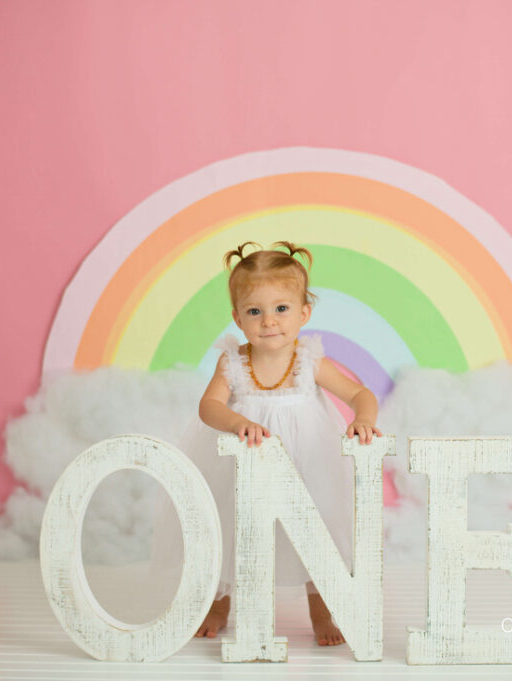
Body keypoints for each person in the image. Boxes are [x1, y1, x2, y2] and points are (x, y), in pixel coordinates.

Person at [149, 240, 382, 646]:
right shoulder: (232, 363)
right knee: (232, 524)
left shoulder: (309, 362)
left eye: (282, 309)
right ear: (238, 318)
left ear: (304, 312)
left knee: (317, 524)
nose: (269, 321)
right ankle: (219, 602)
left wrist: (363, 420)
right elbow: (208, 407)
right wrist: (237, 420)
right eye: (255, 311)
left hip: (308, 461)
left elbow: (361, 395)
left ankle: (322, 607)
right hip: (246, 463)